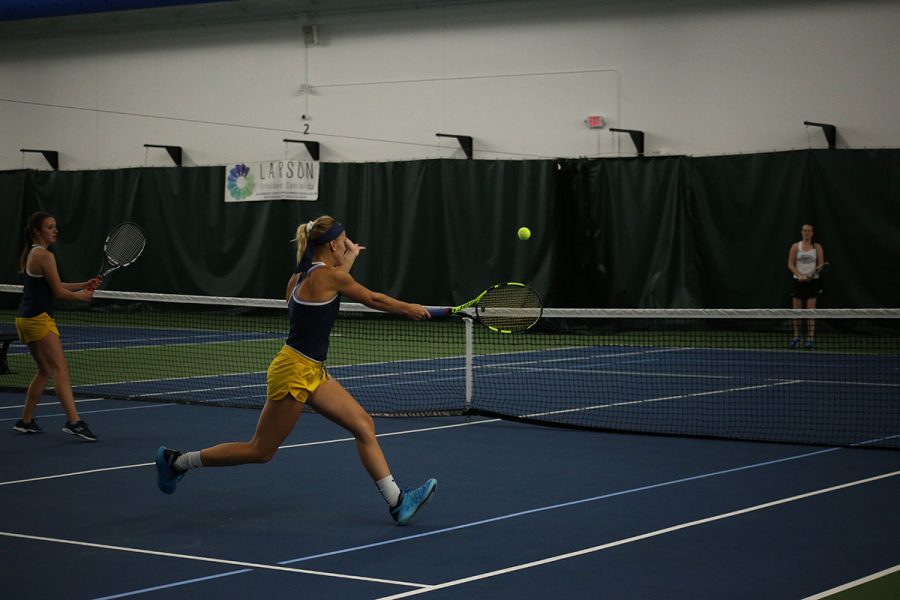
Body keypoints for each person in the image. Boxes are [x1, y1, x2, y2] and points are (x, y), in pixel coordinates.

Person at [155, 216, 437, 525]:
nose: (347, 243)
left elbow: (338, 277)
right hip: (293, 372)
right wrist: (408, 307)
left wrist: (351, 255)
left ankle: (397, 501)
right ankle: (177, 461)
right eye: (344, 240)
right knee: (260, 451)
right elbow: (372, 298)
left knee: (363, 425)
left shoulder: (300, 278)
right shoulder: (328, 278)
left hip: (311, 370)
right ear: (332, 244)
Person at [14, 212, 101, 440]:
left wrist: (84, 284)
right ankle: (74, 422)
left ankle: (25, 421)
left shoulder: (31, 253)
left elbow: (55, 282)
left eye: (55, 227)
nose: (55, 230)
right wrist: (83, 297)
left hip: (24, 319)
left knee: (45, 370)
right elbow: (59, 292)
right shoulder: (45, 255)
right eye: (50, 227)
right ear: (37, 231)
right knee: (61, 370)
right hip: (39, 320)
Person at [787, 223, 825, 350]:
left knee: (810, 312)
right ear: (801, 232)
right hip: (798, 283)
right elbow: (790, 264)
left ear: (812, 233)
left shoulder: (817, 247)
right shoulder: (795, 247)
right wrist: (799, 275)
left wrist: (811, 276)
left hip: (812, 283)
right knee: (796, 312)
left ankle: (810, 339)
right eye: (804, 230)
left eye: (809, 231)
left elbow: (821, 265)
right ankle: (796, 337)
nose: (806, 233)